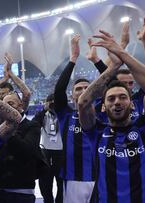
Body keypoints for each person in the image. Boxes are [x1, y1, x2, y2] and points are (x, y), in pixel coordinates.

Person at [78, 28, 145, 202]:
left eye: (123, 97)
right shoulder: (97, 132)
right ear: (104, 105)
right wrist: (113, 66)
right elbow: (83, 103)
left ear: (131, 103)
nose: (117, 102)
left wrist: (122, 54)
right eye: (111, 98)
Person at [54, 34, 103, 202]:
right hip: (74, 179)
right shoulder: (65, 114)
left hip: (101, 176)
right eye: (78, 89)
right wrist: (73, 59)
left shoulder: (101, 112)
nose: (83, 91)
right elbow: (59, 90)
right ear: (72, 94)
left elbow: (113, 84)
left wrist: (97, 61)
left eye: (86, 88)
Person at [0, 89, 44, 203]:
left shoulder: (32, 126)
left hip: (21, 192)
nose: (7, 109)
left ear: (21, 106)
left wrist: (9, 131)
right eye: (3, 106)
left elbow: (27, 152)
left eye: (10, 104)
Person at [33, 94, 63, 203]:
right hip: (45, 151)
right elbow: (34, 124)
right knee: (44, 183)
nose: (52, 104)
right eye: (50, 101)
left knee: (62, 183)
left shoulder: (64, 115)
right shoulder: (42, 115)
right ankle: (48, 200)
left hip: (61, 152)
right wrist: (44, 109)